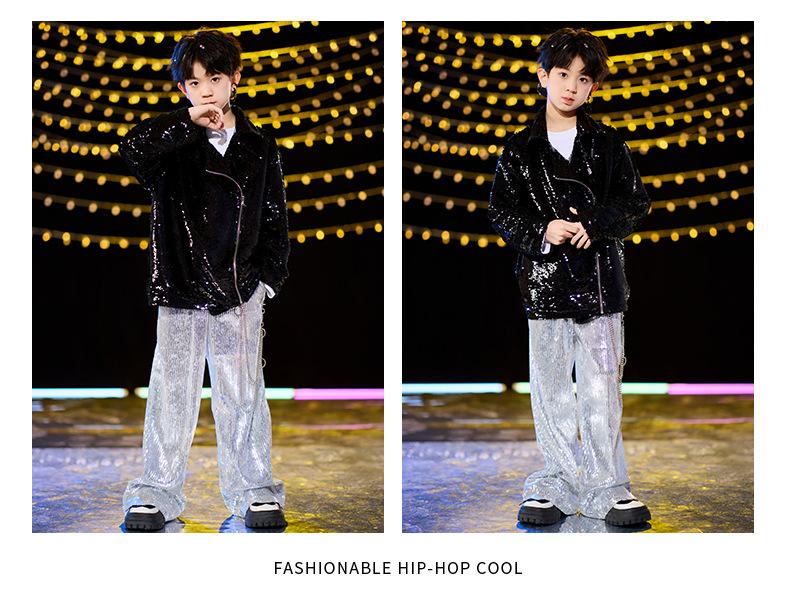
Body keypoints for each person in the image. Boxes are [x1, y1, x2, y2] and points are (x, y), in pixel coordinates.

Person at [118, 28, 289, 532]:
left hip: (239, 288)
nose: (206, 91)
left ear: (235, 78)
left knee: (243, 393)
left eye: (214, 78)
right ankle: (156, 492)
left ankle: (254, 490)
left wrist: (268, 279)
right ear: (182, 89)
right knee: (171, 392)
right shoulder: (172, 145)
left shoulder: (258, 144)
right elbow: (131, 149)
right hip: (181, 287)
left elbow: (275, 216)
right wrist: (184, 123)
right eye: (194, 83)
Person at [488, 27, 652, 527]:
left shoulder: (608, 144)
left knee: (602, 389)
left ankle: (607, 487)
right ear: (543, 76)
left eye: (583, 79)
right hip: (545, 284)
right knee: (552, 390)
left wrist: (595, 225)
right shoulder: (519, 149)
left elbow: (635, 202)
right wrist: (543, 228)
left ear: (593, 87)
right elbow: (501, 212)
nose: (571, 87)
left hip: (600, 284)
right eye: (563, 74)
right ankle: (555, 483)